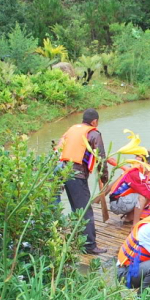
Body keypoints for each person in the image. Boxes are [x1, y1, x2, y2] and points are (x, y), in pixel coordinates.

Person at [55, 108, 113, 255]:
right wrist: (104, 179)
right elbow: (101, 157)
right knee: (85, 211)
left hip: (62, 172)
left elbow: (58, 149)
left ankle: (77, 240)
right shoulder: (94, 133)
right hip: (77, 175)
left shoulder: (72, 129)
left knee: (76, 209)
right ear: (94, 122)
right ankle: (89, 245)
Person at [108, 153, 150, 225]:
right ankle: (135, 224)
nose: (146, 169)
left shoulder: (147, 172)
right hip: (117, 204)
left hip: (125, 200)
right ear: (141, 163)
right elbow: (149, 193)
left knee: (146, 195)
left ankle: (130, 217)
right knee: (143, 197)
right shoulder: (135, 173)